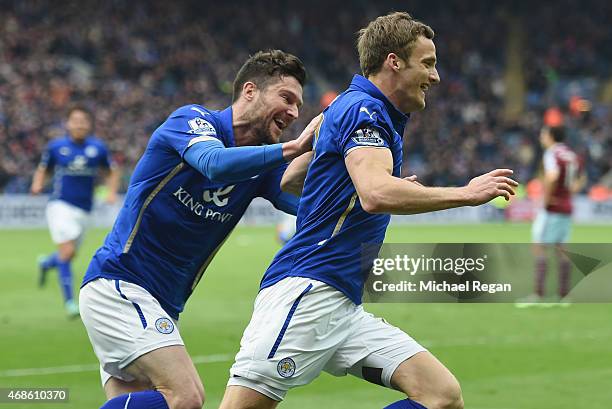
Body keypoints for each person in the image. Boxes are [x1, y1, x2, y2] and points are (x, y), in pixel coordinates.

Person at [219, 12, 518, 409]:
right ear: (394, 62)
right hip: (309, 291)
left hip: (342, 304)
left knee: (441, 397)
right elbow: (374, 195)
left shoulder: (353, 108)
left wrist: (348, 173)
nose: (436, 76)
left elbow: (292, 179)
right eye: (427, 63)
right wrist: (466, 192)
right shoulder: (366, 110)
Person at [78, 49, 318, 409]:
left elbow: (311, 210)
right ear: (250, 91)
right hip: (120, 285)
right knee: (186, 397)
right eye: (286, 98)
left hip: (162, 306)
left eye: (299, 105)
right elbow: (213, 163)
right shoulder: (192, 120)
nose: (295, 112)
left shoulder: (261, 168)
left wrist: (370, 188)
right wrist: (294, 148)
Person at [31, 106, 120, 318]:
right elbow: (44, 168)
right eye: (75, 120)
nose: (79, 124)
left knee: (68, 255)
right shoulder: (56, 147)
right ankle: (70, 302)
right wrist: (37, 183)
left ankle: (46, 263)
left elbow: (112, 171)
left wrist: (111, 192)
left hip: (85, 209)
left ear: (89, 124)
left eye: (83, 120)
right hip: (60, 205)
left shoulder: (98, 148)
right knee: (68, 252)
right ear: (68, 124)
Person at [517, 126, 584, 308]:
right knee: (562, 250)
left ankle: (538, 294)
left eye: (543, 133)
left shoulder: (552, 153)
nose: (541, 136)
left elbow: (553, 177)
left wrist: (545, 202)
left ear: (551, 136)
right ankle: (564, 296)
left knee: (539, 247)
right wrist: (566, 195)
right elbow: (578, 181)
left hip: (552, 207)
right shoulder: (570, 155)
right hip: (566, 206)